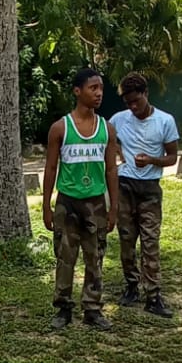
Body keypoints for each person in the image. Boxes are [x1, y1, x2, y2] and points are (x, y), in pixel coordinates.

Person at [42, 67, 118, 332]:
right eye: (92, 88)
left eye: (101, 88)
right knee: (65, 257)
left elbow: (111, 169)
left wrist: (113, 208)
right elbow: (51, 168)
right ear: (77, 91)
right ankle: (63, 307)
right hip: (67, 202)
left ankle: (92, 309)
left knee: (95, 257)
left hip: (96, 203)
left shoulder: (107, 129)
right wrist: (47, 207)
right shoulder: (60, 128)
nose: (98, 93)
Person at [110, 72, 179, 318]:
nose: (133, 107)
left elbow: (173, 157)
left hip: (149, 188)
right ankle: (131, 285)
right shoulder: (119, 119)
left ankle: (153, 295)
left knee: (150, 241)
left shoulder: (164, 121)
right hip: (125, 186)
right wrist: (118, 152)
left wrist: (151, 160)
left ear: (146, 94)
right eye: (128, 103)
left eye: (136, 101)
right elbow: (107, 138)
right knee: (126, 240)